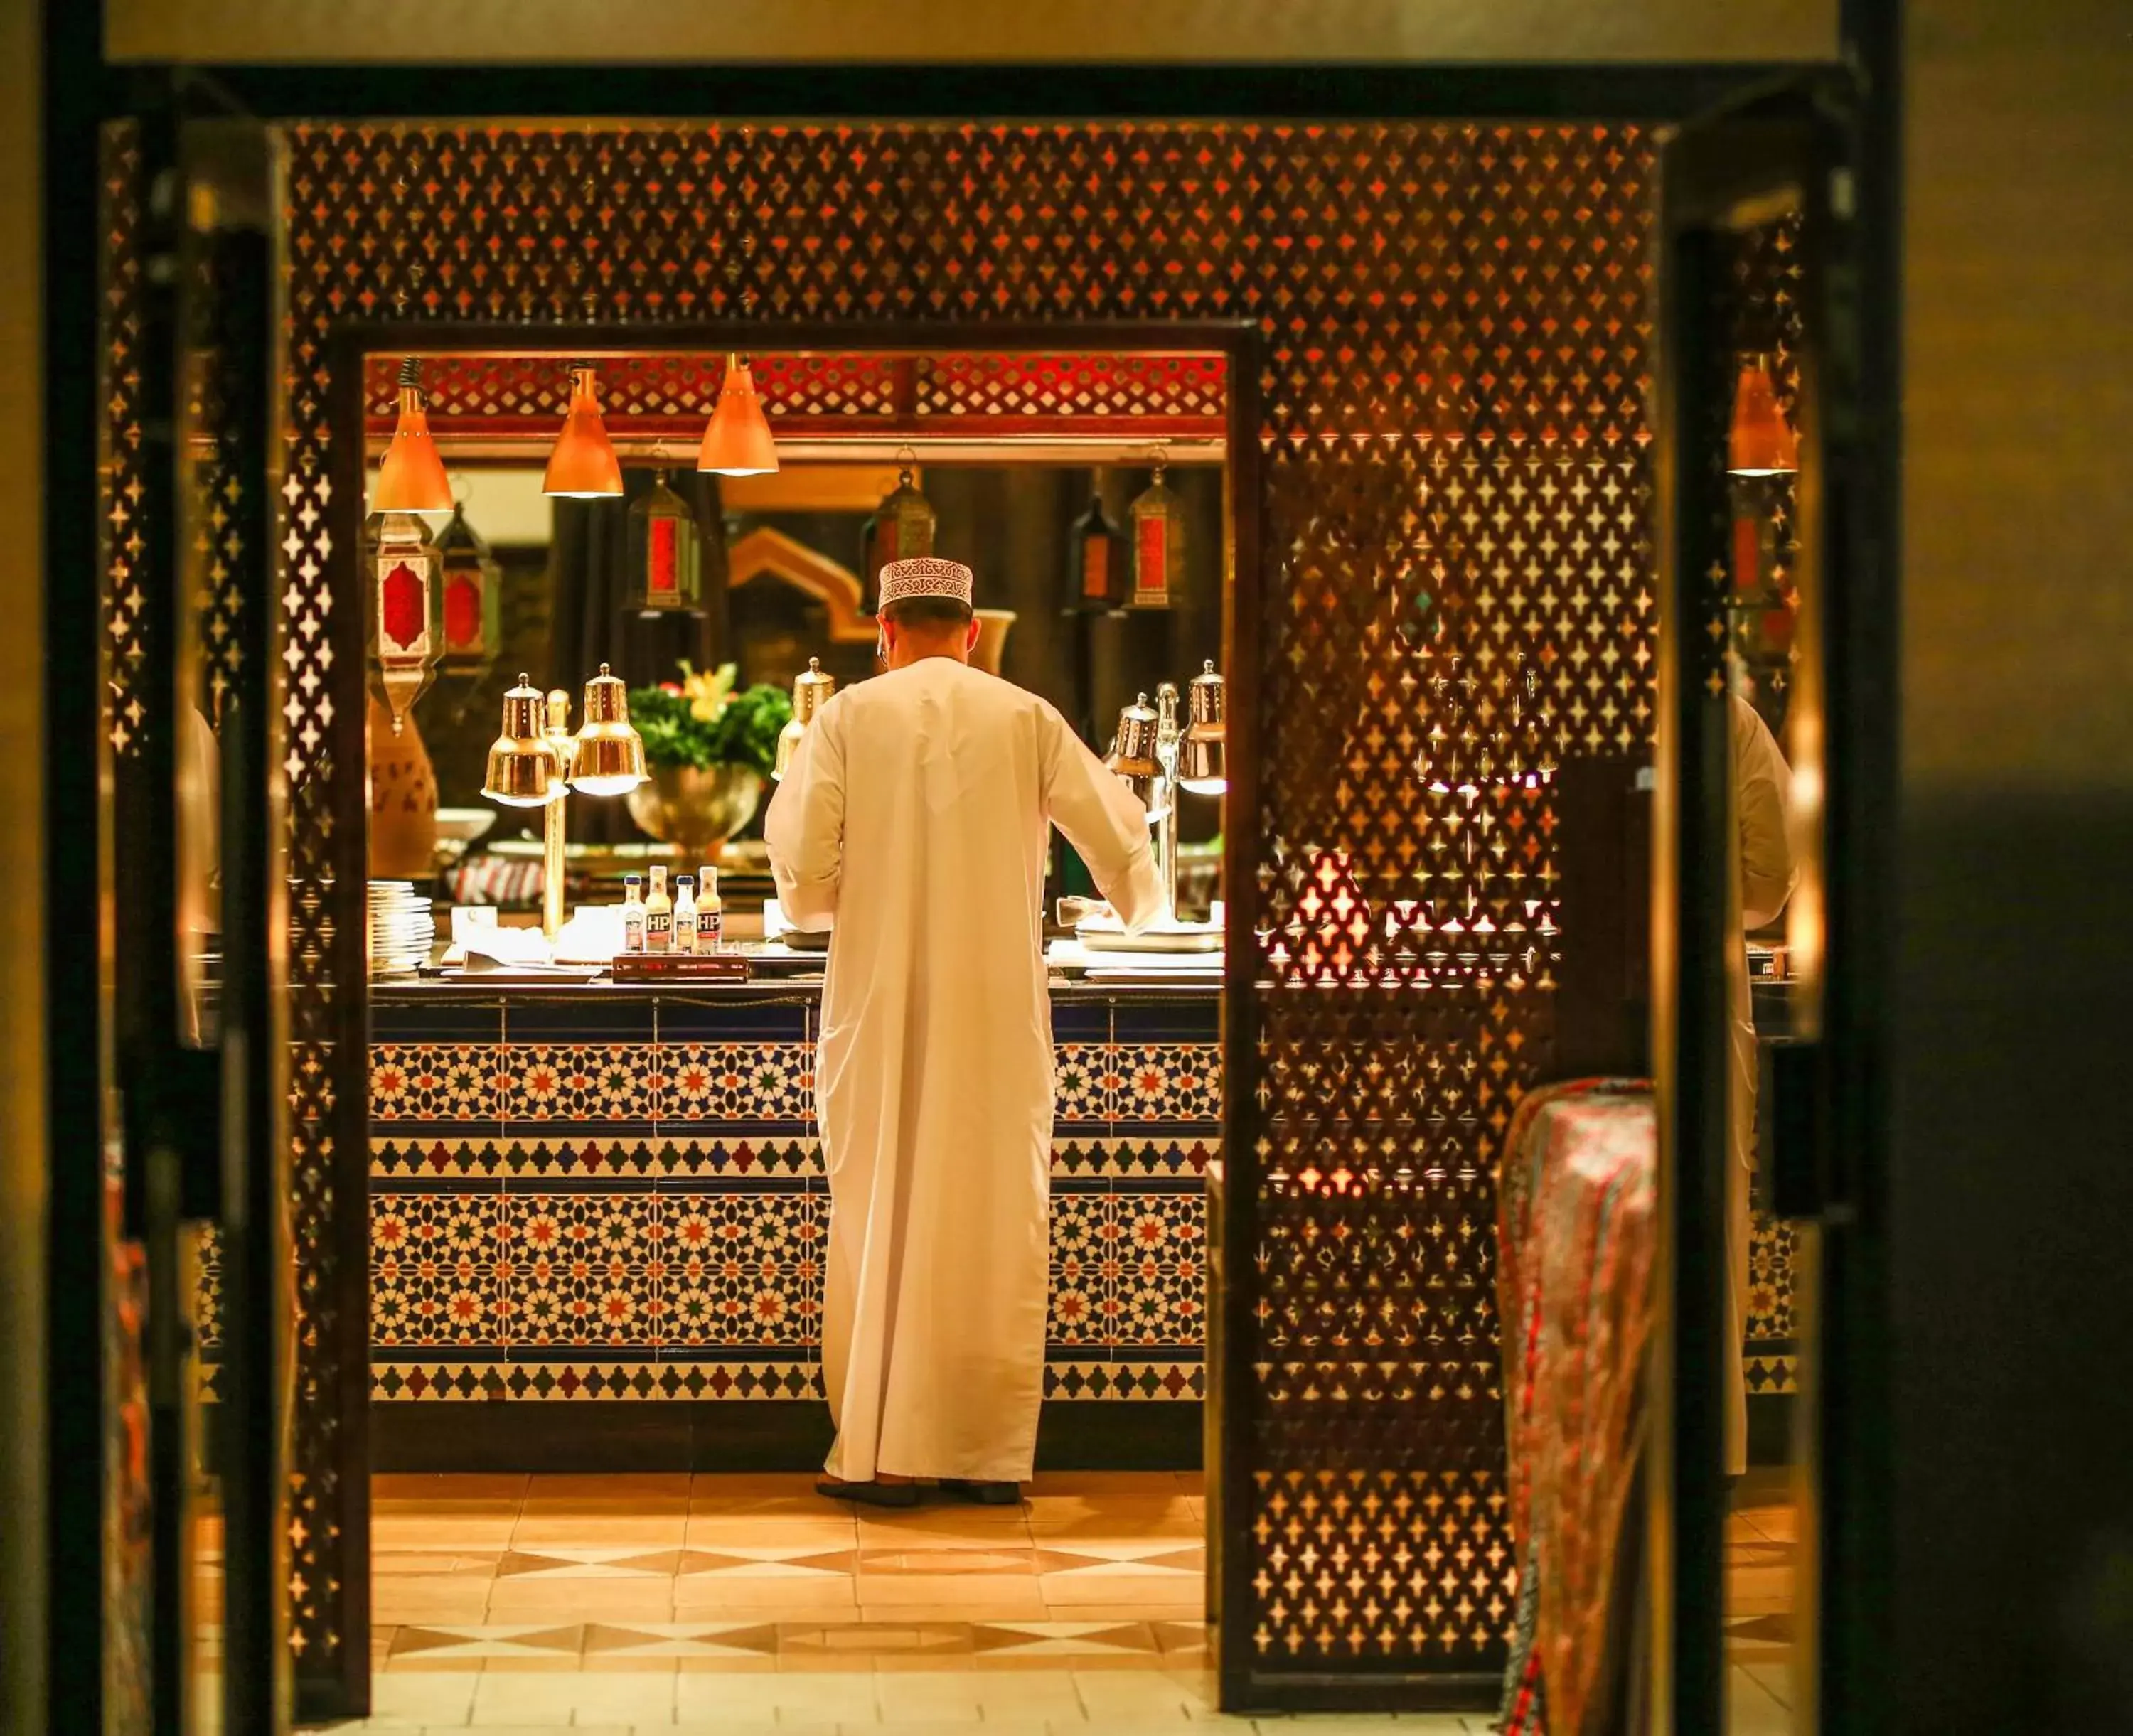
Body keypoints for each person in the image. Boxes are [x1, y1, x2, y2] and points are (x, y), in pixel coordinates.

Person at [764, 555, 1163, 1508]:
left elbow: (802, 865)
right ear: (974, 630)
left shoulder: (847, 717)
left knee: (883, 1215)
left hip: (880, 996)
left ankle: (886, 1456)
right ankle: (983, 1458)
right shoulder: (1025, 716)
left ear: (883, 631)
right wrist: (1141, 911)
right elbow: (1120, 838)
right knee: (989, 1216)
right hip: (997, 1008)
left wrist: (826, 901)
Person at [1726, 689, 1797, 1480]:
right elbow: (1771, 873)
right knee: (1708, 1217)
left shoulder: (1571, 712)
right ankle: (1711, 1454)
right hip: (1704, 997)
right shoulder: (1728, 718)